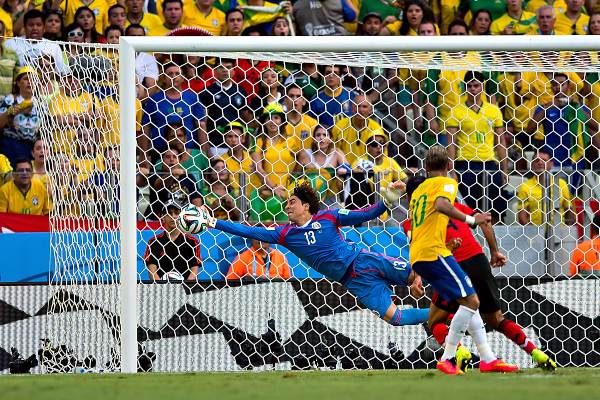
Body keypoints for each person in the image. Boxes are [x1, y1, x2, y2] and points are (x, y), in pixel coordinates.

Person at [201, 180, 430, 327]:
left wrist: (386, 202)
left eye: (292, 202)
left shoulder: (329, 216)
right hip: (352, 281)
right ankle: (443, 314)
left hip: (363, 260)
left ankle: (461, 295)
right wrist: (213, 222)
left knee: (422, 273)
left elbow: (364, 215)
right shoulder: (285, 234)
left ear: (306, 206)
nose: (287, 206)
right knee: (396, 319)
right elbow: (247, 230)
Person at [404, 174, 557, 371]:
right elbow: (484, 221)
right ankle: (533, 352)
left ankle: (456, 353)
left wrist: (418, 277)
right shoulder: (456, 206)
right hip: (478, 260)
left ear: (410, 198)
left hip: (452, 263)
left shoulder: (413, 220)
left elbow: (421, 247)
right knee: (494, 318)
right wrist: (494, 251)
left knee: (436, 320)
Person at [407, 145, 517, 374]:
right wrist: (471, 219)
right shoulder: (446, 183)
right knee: (472, 302)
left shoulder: (419, 190)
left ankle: (487, 358)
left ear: (426, 168)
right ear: (449, 166)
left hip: (419, 254)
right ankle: (447, 358)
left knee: (468, 303)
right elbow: (441, 205)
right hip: (434, 252)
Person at [445, 71, 507, 222]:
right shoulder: (456, 111)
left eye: (476, 85)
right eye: (470, 86)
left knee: (496, 208)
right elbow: (451, 143)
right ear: (465, 88)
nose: (473, 89)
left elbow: (500, 141)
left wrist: (505, 169)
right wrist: (452, 169)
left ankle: (495, 237)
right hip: (466, 163)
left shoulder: (493, 111)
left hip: (489, 163)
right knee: (469, 208)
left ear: (482, 87)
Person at [141, 62, 208, 161]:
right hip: (160, 153)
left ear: (183, 78)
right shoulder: (154, 100)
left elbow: (201, 125)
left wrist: (204, 153)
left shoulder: (192, 97)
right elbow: (146, 127)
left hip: (188, 154)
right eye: (170, 74)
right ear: (163, 78)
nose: (173, 76)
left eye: (177, 74)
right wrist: (144, 156)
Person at [144, 200, 200, 281]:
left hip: (186, 289)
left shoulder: (192, 242)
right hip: (160, 289)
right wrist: (162, 287)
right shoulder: (153, 242)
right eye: (169, 213)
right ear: (163, 217)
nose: (173, 216)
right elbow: (152, 270)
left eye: (176, 213)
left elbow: (194, 270)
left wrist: (185, 287)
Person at [516, 151, 575, 226]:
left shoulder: (561, 183)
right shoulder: (525, 186)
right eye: (536, 161)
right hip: (535, 232)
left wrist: (567, 231)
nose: (540, 163)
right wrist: (533, 232)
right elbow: (522, 217)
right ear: (532, 165)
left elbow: (569, 210)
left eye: (544, 160)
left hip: (559, 232)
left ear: (551, 164)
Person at [0, 66, 39, 165]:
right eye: (26, 79)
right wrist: (10, 112)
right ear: (18, 83)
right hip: (11, 146)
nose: (30, 82)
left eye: (33, 79)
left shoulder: (40, 103)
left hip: (32, 148)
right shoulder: (10, 99)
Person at [332, 93, 384, 165]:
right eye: (357, 106)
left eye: (364, 106)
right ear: (352, 108)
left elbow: (381, 157)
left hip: (369, 172)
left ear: (370, 110)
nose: (360, 110)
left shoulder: (376, 129)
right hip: (345, 171)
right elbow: (332, 153)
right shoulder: (340, 126)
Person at [226, 227, 292, 280]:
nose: (262, 239)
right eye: (258, 235)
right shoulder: (242, 258)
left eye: (265, 235)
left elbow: (289, 282)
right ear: (252, 238)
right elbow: (230, 281)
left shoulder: (280, 257)